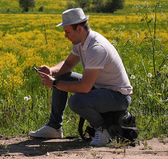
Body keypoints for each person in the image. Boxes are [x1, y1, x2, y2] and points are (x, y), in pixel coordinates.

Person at [28, 8, 132, 147]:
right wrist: (52, 71)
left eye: (67, 31)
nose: (65, 35)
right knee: (62, 76)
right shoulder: (81, 42)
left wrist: (54, 84)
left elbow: (84, 87)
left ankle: (104, 131)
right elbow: (68, 64)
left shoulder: (96, 48)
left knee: (76, 101)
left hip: (118, 97)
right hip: (101, 89)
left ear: (79, 29)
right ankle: (54, 128)